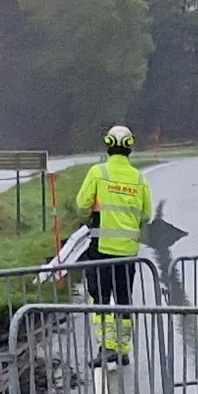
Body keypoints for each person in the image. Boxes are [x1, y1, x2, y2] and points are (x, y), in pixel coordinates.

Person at [71, 125, 153, 308]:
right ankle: (125, 326)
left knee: (100, 299)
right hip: (128, 251)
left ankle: (104, 327)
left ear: (108, 145)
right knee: (124, 299)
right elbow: (147, 215)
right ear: (130, 147)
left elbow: (82, 205)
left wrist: (88, 218)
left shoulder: (98, 173)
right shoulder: (139, 179)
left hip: (101, 248)